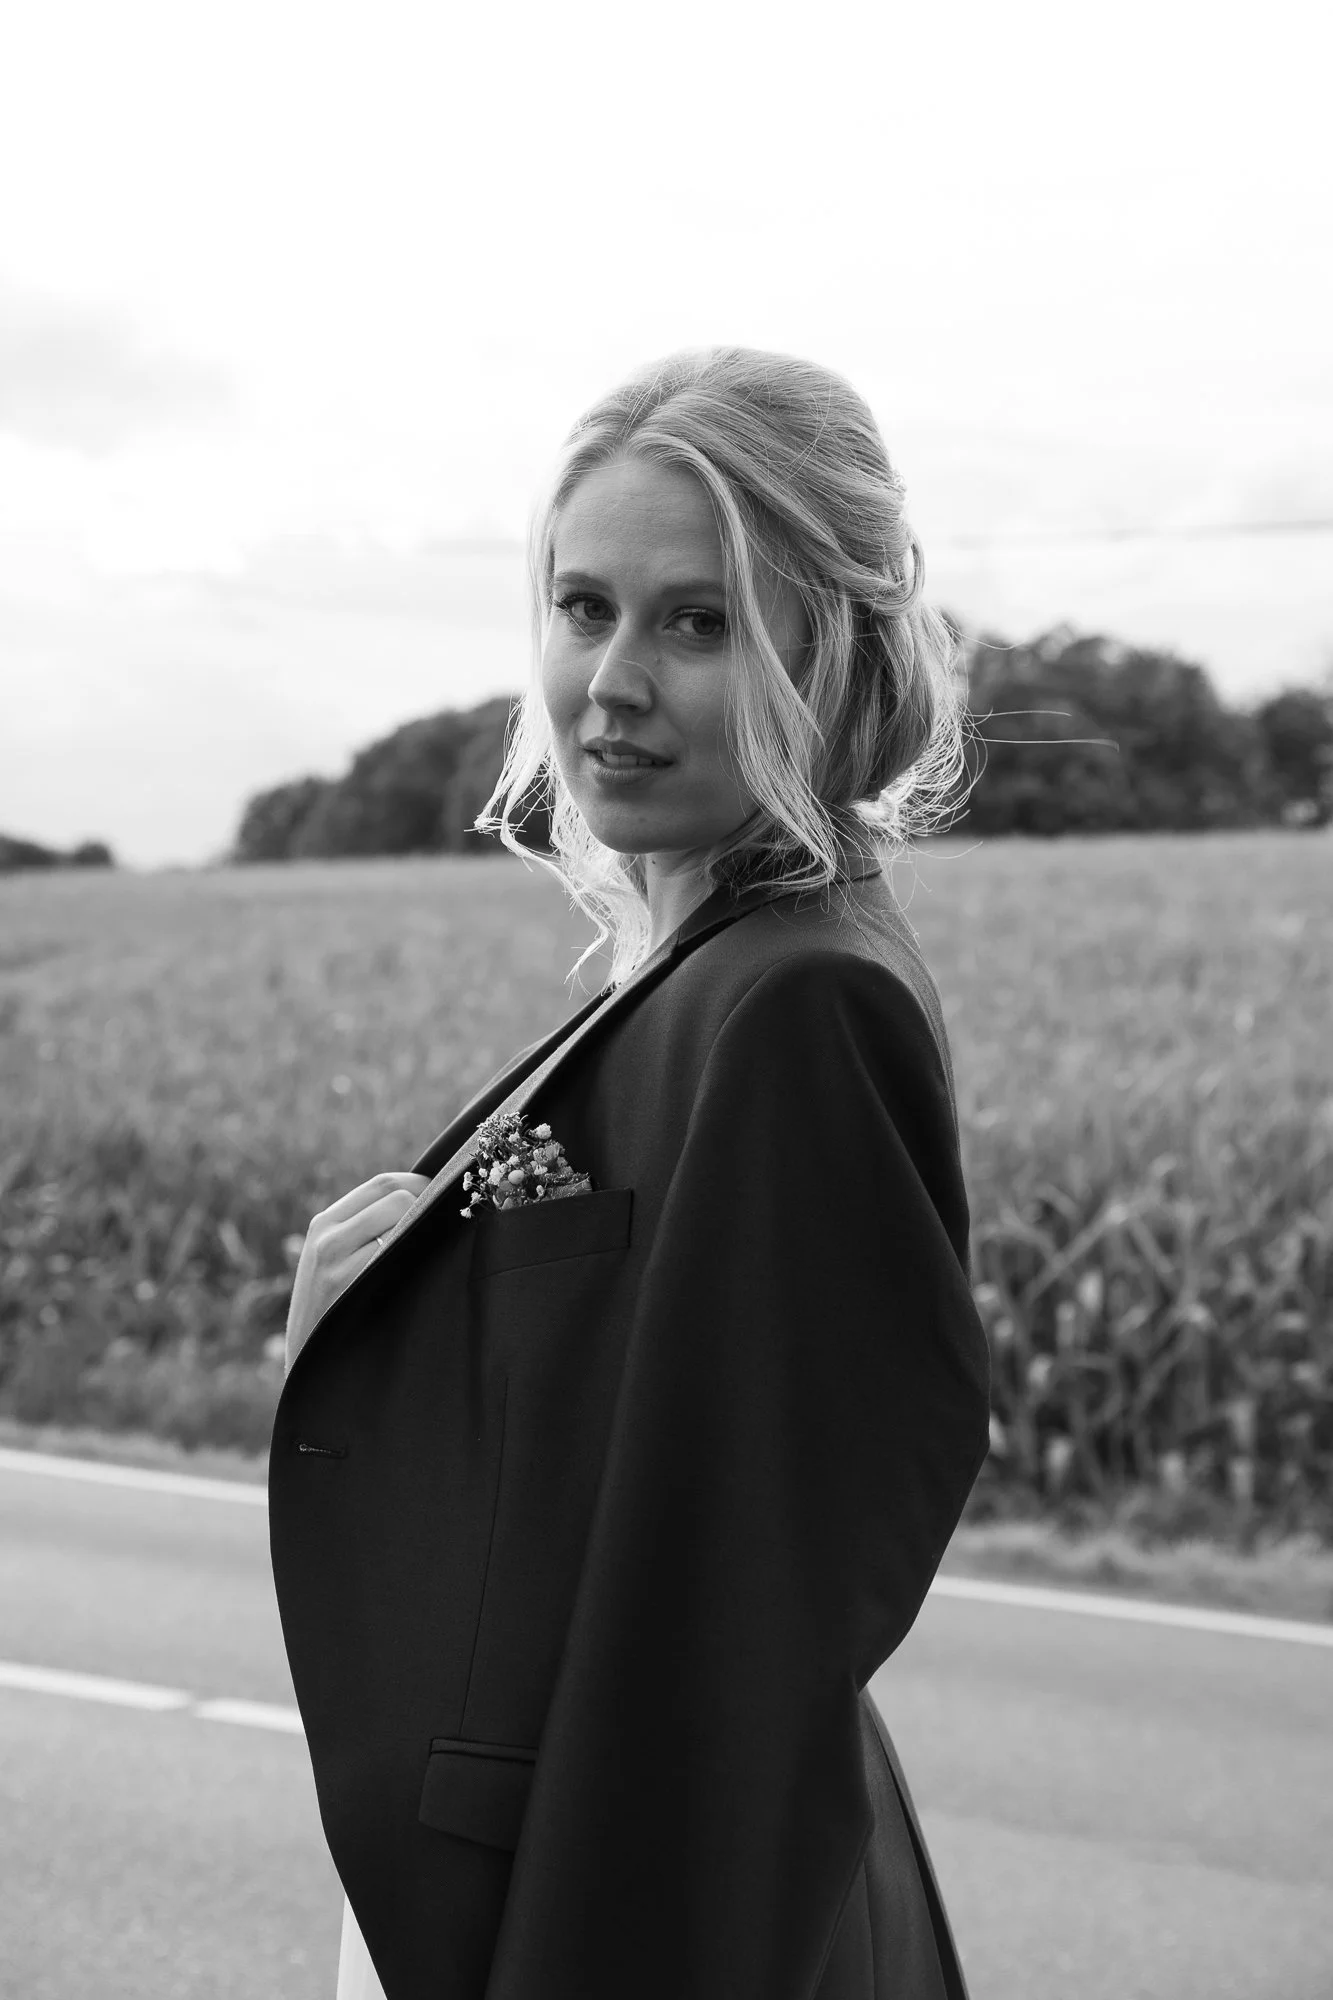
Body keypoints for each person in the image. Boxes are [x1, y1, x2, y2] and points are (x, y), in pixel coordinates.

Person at [271, 345, 992, 2000]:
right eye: (583, 605)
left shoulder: (797, 1008)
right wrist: (363, 1333)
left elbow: (727, 1630)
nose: (613, 681)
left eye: (700, 620)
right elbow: (588, 1439)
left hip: (625, 1917)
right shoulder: (671, 969)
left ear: (835, 651)